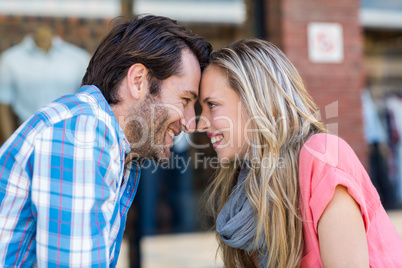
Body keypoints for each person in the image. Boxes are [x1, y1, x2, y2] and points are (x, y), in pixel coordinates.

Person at [0, 15, 211, 267]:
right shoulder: (81, 135)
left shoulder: (111, 144)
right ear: (138, 81)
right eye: (185, 100)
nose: (190, 122)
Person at [197, 39, 402, 268]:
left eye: (212, 105)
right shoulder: (244, 185)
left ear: (254, 100)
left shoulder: (322, 156)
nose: (201, 124)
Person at [0, 26, 91, 144]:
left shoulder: (79, 58)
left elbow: (90, 101)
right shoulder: (11, 59)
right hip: (28, 139)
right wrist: (10, 144)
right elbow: (4, 104)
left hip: (70, 138)